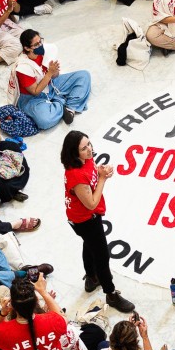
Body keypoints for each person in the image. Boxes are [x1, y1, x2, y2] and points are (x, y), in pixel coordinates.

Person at [58, 131, 135, 313]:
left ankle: (92, 278)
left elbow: (92, 175)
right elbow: (91, 203)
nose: (89, 150)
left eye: (89, 144)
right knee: (101, 255)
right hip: (84, 219)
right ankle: (110, 293)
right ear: (74, 153)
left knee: (90, 245)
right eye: (83, 148)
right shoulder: (76, 176)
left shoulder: (86, 160)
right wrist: (102, 178)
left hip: (85, 217)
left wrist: (100, 171)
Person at [14, 30, 93, 131]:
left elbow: (55, 76)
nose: (40, 45)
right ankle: (62, 103)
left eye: (40, 41)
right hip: (33, 98)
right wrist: (50, 73)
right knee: (45, 121)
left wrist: (54, 71)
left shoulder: (45, 52)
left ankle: (69, 109)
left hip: (50, 85)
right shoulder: (23, 67)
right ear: (27, 48)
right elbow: (35, 91)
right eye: (36, 44)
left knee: (84, 76)